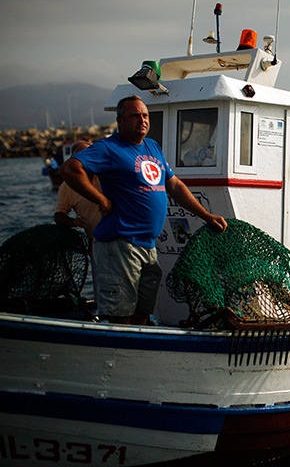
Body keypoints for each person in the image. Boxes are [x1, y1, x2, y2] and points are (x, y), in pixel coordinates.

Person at [60, 95, 227, 325]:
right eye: (135, 115)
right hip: (120, 244)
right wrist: (102, 199)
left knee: (143, 313)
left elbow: (175, 185)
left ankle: (136, 356)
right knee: (121, 315)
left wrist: (206, 215)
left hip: (149, 246)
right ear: (120, 121)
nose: (142, 120)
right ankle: (119, 357)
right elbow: (70, 169)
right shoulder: (108, 148)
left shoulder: (152, 147)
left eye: (145, 115)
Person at [54, 140, 102, 298]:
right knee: (102, 288)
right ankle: (106, 320)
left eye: (90, 154)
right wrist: (73, 222)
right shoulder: (67, 186)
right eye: (81, 156)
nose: (86, 159)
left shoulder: (107, 175)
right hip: (97, 244)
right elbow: (59, 215)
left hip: (124, 238)